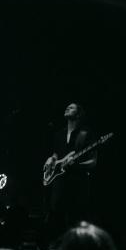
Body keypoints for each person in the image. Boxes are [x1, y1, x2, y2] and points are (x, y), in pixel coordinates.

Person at [44, 102, 96, 240]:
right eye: (67, 106)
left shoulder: (86, 133)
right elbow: (57, 154)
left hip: (77, 187)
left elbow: (93, 162)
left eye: (72, 107)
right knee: (55, 226)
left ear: (78, 114)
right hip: (58, 186)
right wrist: (51, 158)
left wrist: (76, 165)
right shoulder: (59, 134)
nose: (67, 107)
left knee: (75, 229)